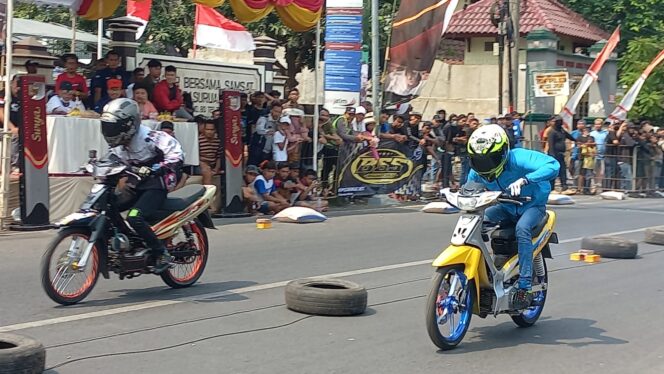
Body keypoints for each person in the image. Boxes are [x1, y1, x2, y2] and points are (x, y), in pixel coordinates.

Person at [465, 124, 560, 309]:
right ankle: (484, 271)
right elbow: (469, 187)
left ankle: (525, 286)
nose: (484, 166)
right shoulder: (476, 170)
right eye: (479, 160)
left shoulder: (518, 158)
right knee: (476, 221)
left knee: (522, 229)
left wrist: (526, 179)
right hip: (506, 207)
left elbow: (553, 165)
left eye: (490, 159)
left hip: (531, 206)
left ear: (502, 153)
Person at [100, 98, 184, 273]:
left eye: (114, 127)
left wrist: (157, 168)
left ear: (129, 125)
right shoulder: (118, 145)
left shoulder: (151, 137)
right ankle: (128, 244)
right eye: (107, 126)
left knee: (134, 216)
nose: (110, 131)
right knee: (107, 206)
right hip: (136, 183)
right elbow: (109, 161)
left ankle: (161, 254)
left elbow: (176, 154)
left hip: (157, 183)